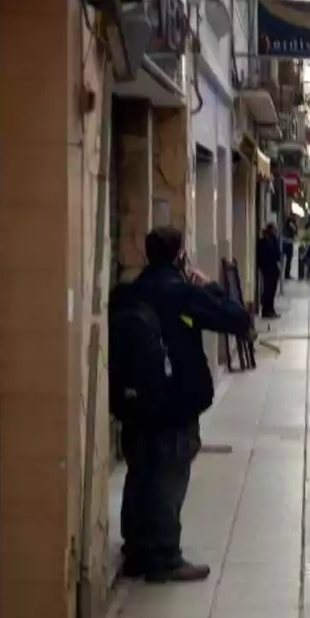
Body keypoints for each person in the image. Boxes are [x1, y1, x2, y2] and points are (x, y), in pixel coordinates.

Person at [111, 227, 253, 583]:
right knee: (168, 477)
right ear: (180, 255)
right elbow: (236, 318)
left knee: (140, 472)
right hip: (174, 402)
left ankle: (137, 552)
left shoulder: (130, 292)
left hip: (133, 402)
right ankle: (165, 557)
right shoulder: (181, 292)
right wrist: (208, 286)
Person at [257, 222, 282, 318]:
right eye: (274, 229)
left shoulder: (273, 239)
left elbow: (276, 253)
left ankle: (270, 309)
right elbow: (264, 255)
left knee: (272, 290)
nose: (276, 231)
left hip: (274, 269)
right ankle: (266, 310)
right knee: (268, 290)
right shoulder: (264, 241)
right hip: (268, 268)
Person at [281, 215, 298, 280]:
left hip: (288, 243)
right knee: (285, 260)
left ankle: (287, 274)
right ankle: (285, 274)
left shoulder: (292, 224)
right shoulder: (288, 224)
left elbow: (296, 232)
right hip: (286, 243)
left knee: (288, 260)